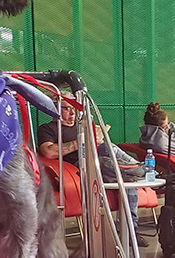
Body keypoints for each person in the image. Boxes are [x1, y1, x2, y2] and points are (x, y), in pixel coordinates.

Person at [37, 98, 150, 246]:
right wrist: (82, 140)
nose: (72, 112)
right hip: (79, 167)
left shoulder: (81, 126)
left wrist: (98, 139)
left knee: (121, 168)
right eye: (66, 108)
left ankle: (130, 230)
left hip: (100, 160)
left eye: (74, 109)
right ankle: (139, 168)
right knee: (121, 166)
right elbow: (49, 152)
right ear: (55, 109)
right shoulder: (47, 128)